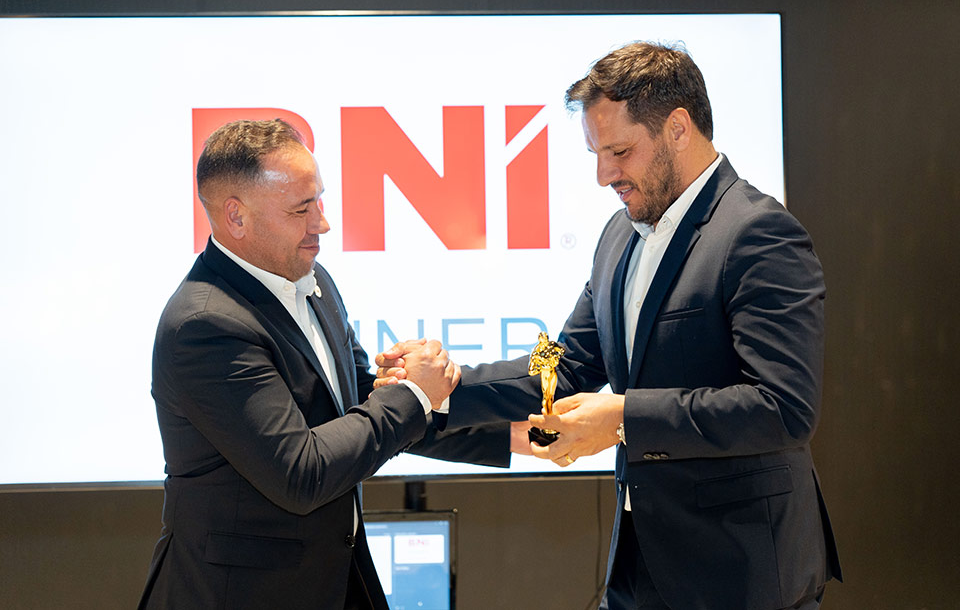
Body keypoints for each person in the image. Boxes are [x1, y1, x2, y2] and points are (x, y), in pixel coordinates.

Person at [377, 42, 842, 609]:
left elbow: (783, 408)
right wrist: (442, 389)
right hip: (639, 569)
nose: (604, 175)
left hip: (742, 574)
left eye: (619, 151)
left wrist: (622, 418)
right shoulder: (619, 234)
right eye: (596, 154)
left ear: (678, 128)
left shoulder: (759, 233)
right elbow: (565, 364)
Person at [138, 119, 512, 610]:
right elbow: (302, 472)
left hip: (334, 581)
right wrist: (414, 393)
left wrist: (509, 434)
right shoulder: (204, 325)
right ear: (236, 217)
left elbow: (362, 404)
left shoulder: (313, 282)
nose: (322, 223)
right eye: (301, 209)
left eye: (319, 201)